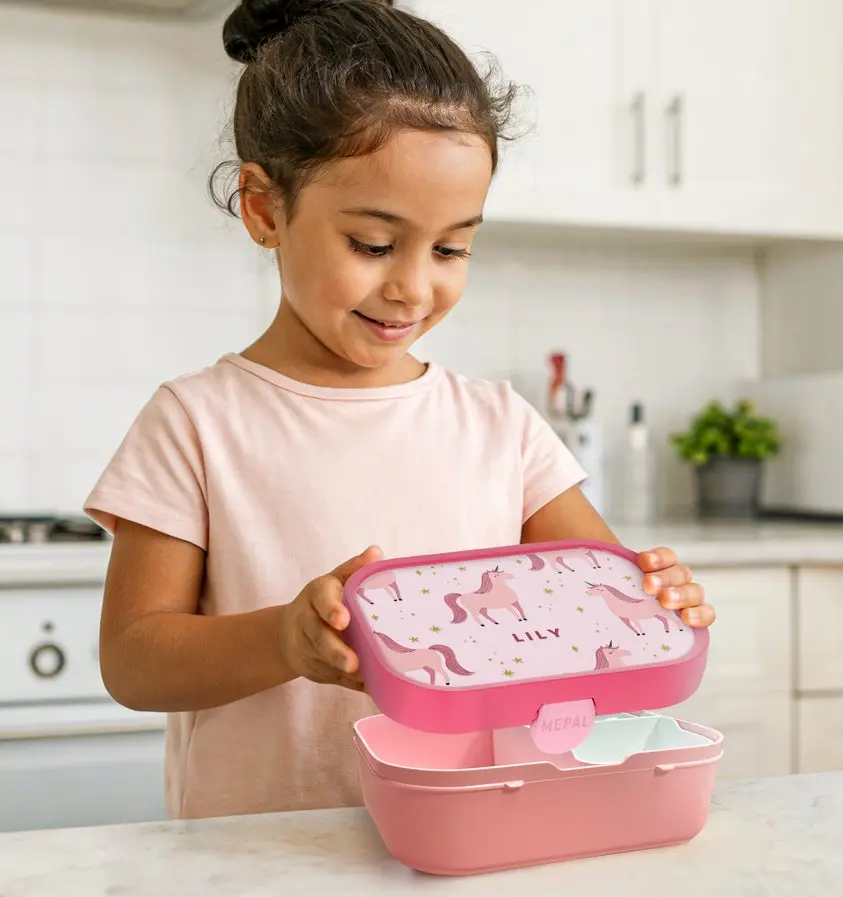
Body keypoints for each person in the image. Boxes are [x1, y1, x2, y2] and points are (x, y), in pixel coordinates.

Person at [84, 0, 716, 822]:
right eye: (374, 245)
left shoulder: (501, 426)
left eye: (452, 248)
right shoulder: (196, 423)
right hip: (259, 860)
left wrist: (654, 606)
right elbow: (133, 660)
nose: (414, 288)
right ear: (265, 209)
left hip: (471, 837)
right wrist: (283, 639)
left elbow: (598, 610)